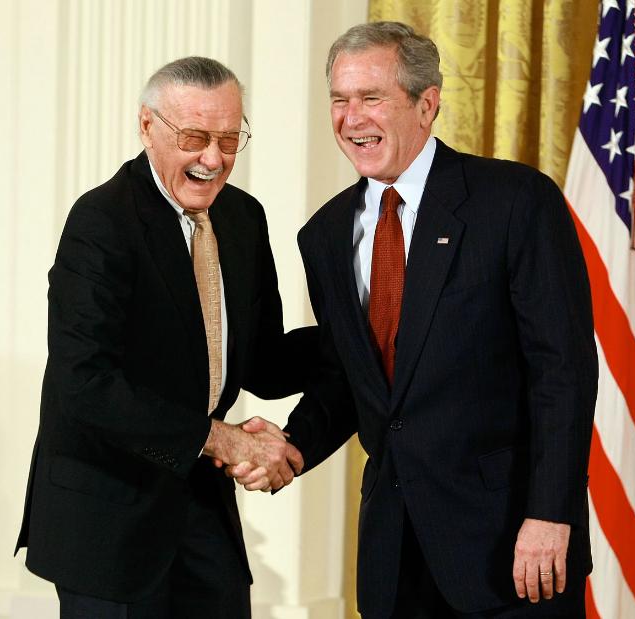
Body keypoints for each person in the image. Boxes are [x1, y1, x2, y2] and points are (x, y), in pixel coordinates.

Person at [231, 22, 599, 618]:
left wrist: (550, 513)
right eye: (339, 100)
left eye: (371, 97)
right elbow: (356, 376)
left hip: (511, 545)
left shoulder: (513, 201)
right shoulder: (323, 235)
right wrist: (294, 448)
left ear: (427, 105)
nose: (351, 119)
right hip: (393, 550)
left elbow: (563, 372)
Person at [14, 56, 308, 619]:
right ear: (148, 126)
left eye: (229, 138)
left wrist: (365, 332)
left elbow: (265, 362)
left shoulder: (244, 218)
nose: (214, 159)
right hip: (109, 517)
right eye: (195, 137)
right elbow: (85, 385)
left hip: (201, 509)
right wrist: (221, 439)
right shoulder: (101, 221)